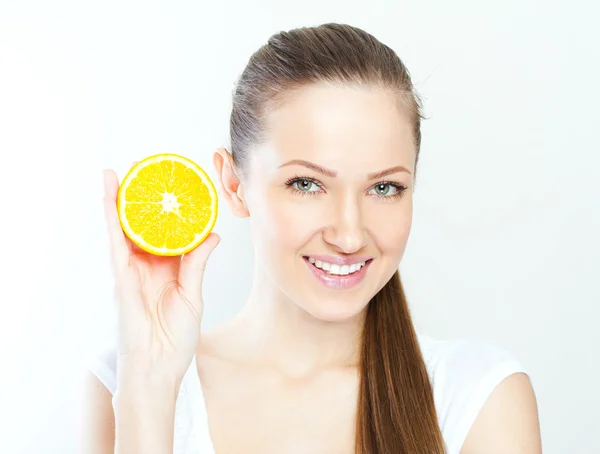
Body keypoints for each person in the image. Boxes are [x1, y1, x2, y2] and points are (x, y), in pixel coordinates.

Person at [83, 22, 542, 454]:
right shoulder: (124, 382)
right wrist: (148, 384)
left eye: (385, 188)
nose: (348, 235)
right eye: (306, 184)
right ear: (234, 185)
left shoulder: (478, 397)